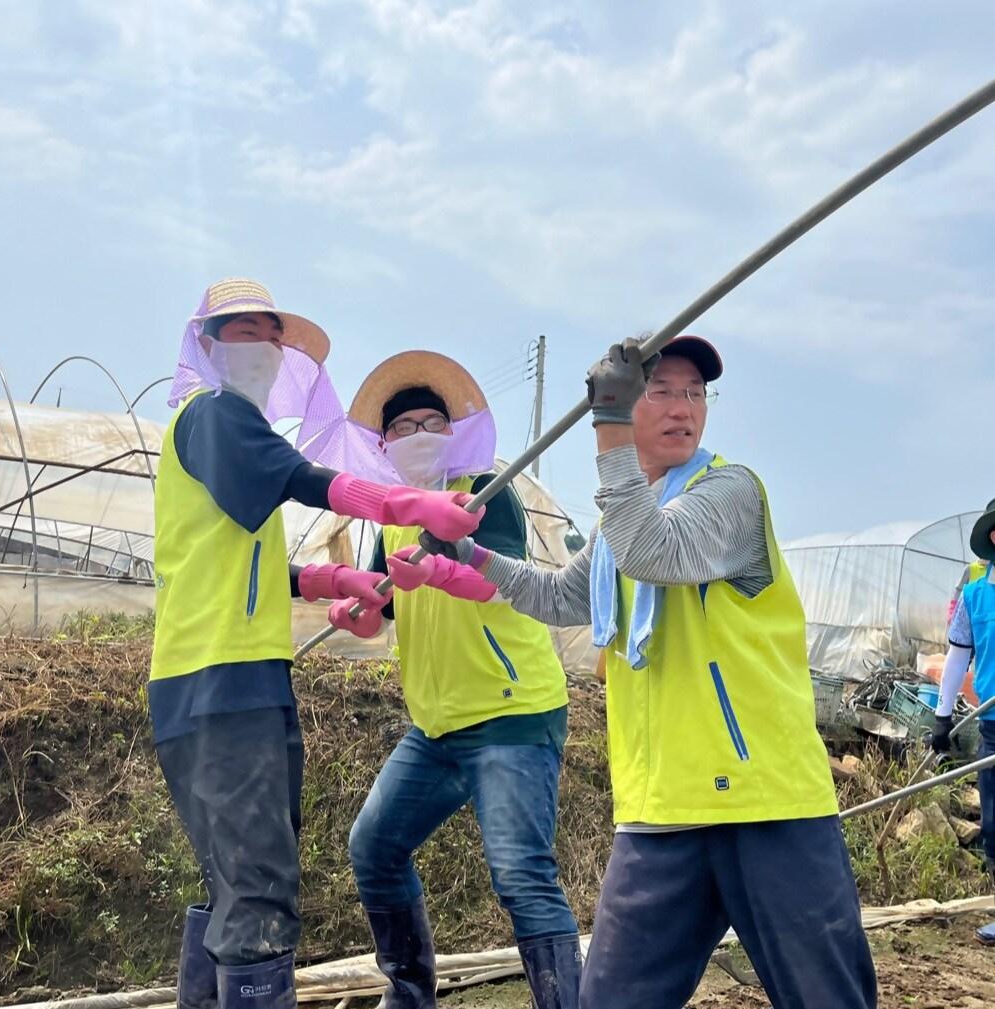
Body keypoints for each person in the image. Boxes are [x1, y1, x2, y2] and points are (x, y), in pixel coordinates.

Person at [418, 335, 878, 1008]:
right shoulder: (617, 529)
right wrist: (470, 556)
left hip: (765, 803)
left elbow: (654, 551)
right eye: (659, 389)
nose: (682, 406)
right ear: (629, 402)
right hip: (662, 811)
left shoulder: (730, 492)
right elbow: (557, 597)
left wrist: (608, 428)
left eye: (695, 392)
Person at [150, 281, 484, 1009]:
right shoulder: (212, 415)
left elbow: (245, 569)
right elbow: (304, 478)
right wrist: (403, 503)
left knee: (235, 880)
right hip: (222, 685)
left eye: (271, 336)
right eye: (241, 333)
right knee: (260, 893)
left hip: (222, 682)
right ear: (206, 346)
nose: (261, 349)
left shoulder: (216, 438)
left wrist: (330, 577)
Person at [319, 351, 581, 1009]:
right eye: (401, 427)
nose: (416, 435)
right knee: (374, 846)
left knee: (521, 874)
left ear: (452, 428)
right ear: (384, 444)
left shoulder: (484, 491)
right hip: (436, 725)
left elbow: (507, 583)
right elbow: (383, 612)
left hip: (511, 713)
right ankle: (410, 993)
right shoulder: (395, 512)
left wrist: (439, 571)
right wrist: (361, 608)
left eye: (429, 421)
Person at [932, 497, 995, 946]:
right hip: (991, 722)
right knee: (993, 822)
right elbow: (956, 659)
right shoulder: (976, 595)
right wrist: (941, 716)